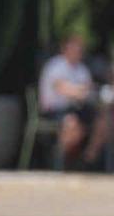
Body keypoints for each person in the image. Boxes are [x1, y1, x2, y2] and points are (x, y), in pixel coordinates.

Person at [38, 35, 98, 169]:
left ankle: (87, 159)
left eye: (79, 49)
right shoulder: (55, 66)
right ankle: (59, 163)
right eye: (74, 47)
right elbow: (62, 88)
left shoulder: (82, 69)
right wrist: (80, 91)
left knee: (102, 121)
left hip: (76, 108)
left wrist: (83, 91)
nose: (77, 51)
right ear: (65, 49)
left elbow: (89, 89)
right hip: (54, 110)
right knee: (71, 123)